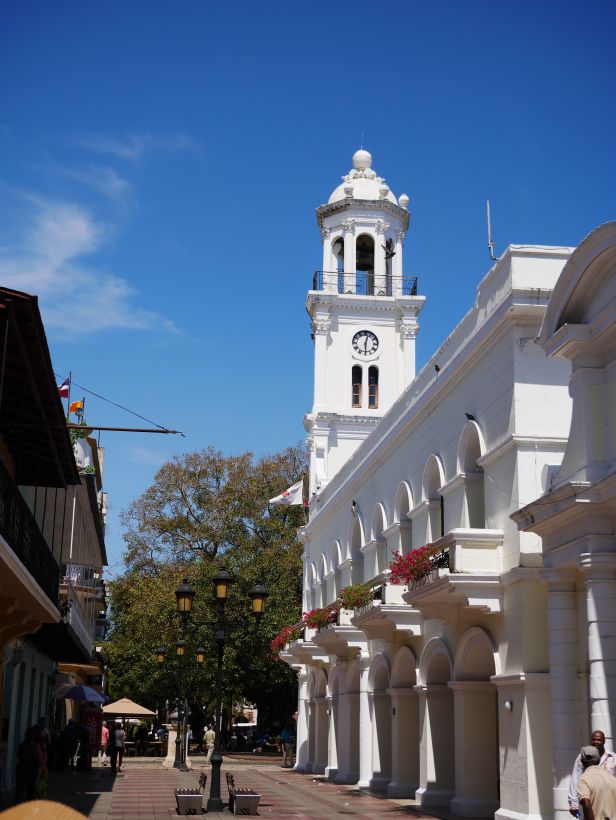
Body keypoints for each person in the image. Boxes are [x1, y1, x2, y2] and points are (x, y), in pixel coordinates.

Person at [569, 730, 616, 815]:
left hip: (609, 797)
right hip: (591, 795)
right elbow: (575, 778)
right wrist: (573, 803)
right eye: (593, 739)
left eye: (598, 740)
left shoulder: (613, 757)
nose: (596, 742)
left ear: (604, 741)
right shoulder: (582, 757)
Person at [577, 745, 616, 820]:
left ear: (582, 761)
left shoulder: (583, 779)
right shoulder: (612, 778)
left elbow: (586, 804)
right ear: (598, 760)